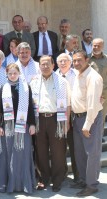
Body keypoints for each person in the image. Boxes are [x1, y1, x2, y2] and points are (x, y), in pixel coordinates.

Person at [0, 63, 36, 194]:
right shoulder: (3, 88)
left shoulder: (26, 87)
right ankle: (8, 183)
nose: (12, 75)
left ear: (19, 73)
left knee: (22, 152)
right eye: (10, 73)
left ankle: (22, 184)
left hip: (23, 126)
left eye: (15, 73)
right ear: (7, 74)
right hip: (8, 126)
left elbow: (30, 108)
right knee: (7, 154)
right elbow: (0, 110)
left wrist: (32, 124)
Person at [30, 55, 70, 192]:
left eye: (48, 64)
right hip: (39, 119)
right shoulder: (34, 81)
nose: (45, 66)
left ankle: (57, 179)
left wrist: (66, 122)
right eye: (42, 64)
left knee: (58, 151)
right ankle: (44, 178)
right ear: (39, 66)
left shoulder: (62, 82)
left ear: (53, 65)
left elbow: (67, 104)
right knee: (41, 151)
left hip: (56, 119)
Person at [70, 50, 103, 196]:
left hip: (90, 118)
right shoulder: (78, 75)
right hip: (77, 118)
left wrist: (87, 124)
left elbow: (92, 104)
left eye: (79, 60)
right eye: (74, 60)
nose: (76, 63)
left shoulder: (93, 77)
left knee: (91, 153)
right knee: (80, 152)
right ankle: (83, 180)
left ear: (87, 59)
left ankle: (92, 185)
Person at [55, 53, 79, 182]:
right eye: (60, 61)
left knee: (75, 147)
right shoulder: (54, 75)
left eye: (65, 61)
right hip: (57, 116)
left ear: (70, 62)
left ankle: (77, 175)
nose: (63, 63)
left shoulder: (77, 74)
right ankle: (62, 173)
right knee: (59, 148)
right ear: (57, 63)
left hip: (73, 114)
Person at [89, 38, 107, 123]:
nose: (96, 47)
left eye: (98, 46)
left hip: (103, 94)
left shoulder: (106, 59)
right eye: (94, 45)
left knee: (101, 119)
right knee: (89, 118)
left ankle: (99, 136)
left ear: (102, 47)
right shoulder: (86, 59)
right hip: (89, 93)